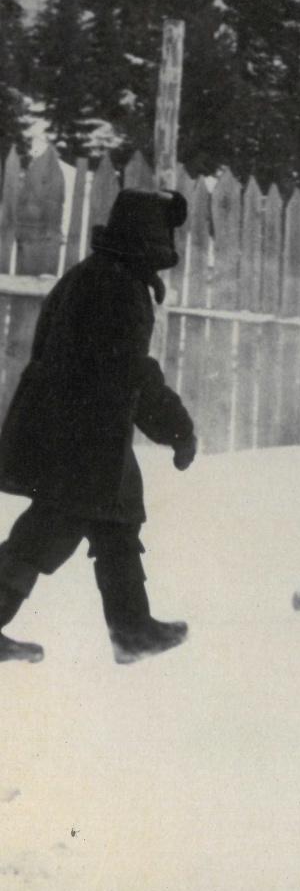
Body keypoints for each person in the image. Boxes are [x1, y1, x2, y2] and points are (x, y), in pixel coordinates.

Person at [0, 189, 198, 663]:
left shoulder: (96, 275)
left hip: (83, 430)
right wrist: (177, 428)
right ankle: (131, 630)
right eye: (163, 232)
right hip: (79, 436)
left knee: (118, 519)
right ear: (147, 235)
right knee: (49, 530)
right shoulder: (118, 287)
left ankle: (132, 630)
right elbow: (132, 373)